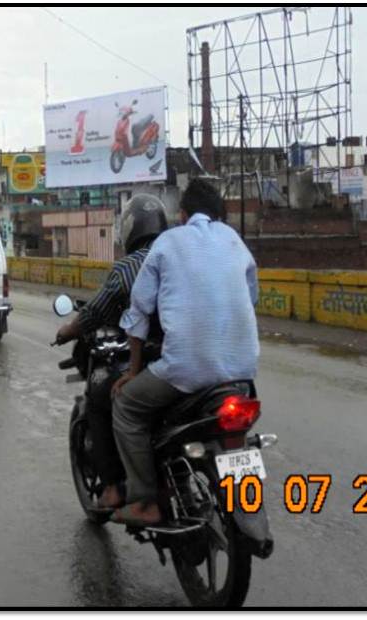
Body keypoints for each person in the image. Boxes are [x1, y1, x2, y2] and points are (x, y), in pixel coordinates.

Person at [110, 178, 260, 526]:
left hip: (186, 371)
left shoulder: (167, 243)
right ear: (220, 212)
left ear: (183, 213)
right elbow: (250, 300)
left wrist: (132, 373)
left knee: (127, 407)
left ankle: (145, 501)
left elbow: (138, 312)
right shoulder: (235, 242)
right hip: (242, 372)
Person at [55, 194, 168, 510]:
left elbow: (96, 312)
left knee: (103, 395)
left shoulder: (129, 267)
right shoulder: (181, 255)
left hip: (162, 363)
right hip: (210, 362)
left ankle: (116, 489)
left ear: (129, 229)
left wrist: (67, 331)